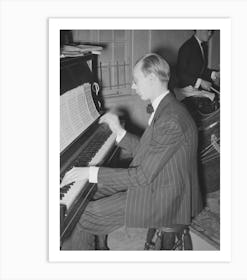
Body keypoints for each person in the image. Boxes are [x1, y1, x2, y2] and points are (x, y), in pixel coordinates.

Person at [61, 53, 203, 250]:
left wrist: (90, 172)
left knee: (80, 213)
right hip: (162, 182)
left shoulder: (171, 119)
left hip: (167, 199)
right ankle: (99, 246)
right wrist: (118, 131)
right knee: (94, 188)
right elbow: (149, 151)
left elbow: (143, 176)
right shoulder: (168, 107)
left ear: (152, 79)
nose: (132, 86)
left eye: (136, 81)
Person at [174, 30, 220, 116]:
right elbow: (180, 74)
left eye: (211, 31)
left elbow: (200, 70)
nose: (210, 34)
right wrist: (201, 82)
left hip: (195, 88)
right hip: (185, 90)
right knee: (216, 100)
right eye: (208, 30)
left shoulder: (202, 46)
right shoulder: (187, 47)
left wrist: (215, 74)